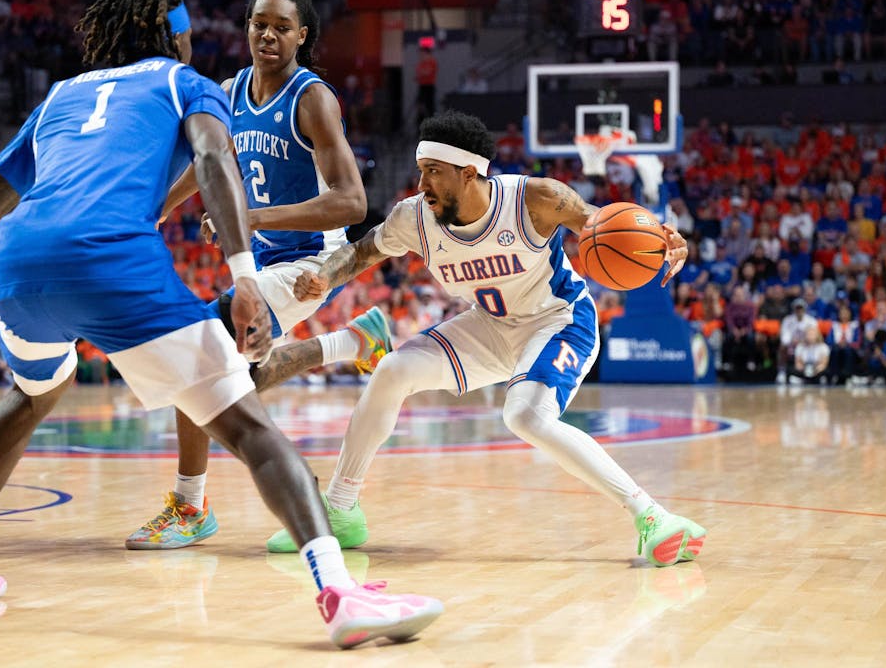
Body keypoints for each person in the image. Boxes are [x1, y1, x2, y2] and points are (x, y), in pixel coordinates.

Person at [0, 0, 442, 649]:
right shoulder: (188, 83)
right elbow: (215, 157)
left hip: (19, 268)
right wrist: (243, 275)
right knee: (248, 427)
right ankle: (340, 592)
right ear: (176, 34)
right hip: (113, 264)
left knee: (29, 394)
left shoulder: (59, 97)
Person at [268, 110, 705, 567]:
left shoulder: (534, 199)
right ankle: (341, 509)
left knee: (526, 417)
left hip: (556, 321)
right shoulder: (413, 218)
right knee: (392, 369)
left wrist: (658, 238)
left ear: (468, 173)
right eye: (421, 171)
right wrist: (324, 276)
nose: (422, 184)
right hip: (489, 326)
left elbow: (599, 223)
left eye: (433, 172)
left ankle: (653, 516)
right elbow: (360, 252)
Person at [127, 0, 393, 552]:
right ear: (246, 28)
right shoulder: (229, 89)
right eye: (259, 23)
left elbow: (353, 203)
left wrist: (253, 218)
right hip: (255, 262)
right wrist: (153, 211)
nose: (268, 34)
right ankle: (352, 344)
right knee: (234, 380)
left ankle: (191, 505)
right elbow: (208, 166)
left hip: (309, 263)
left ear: (302, 35)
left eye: (281, 26)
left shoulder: (313, 98)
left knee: (201, 352)